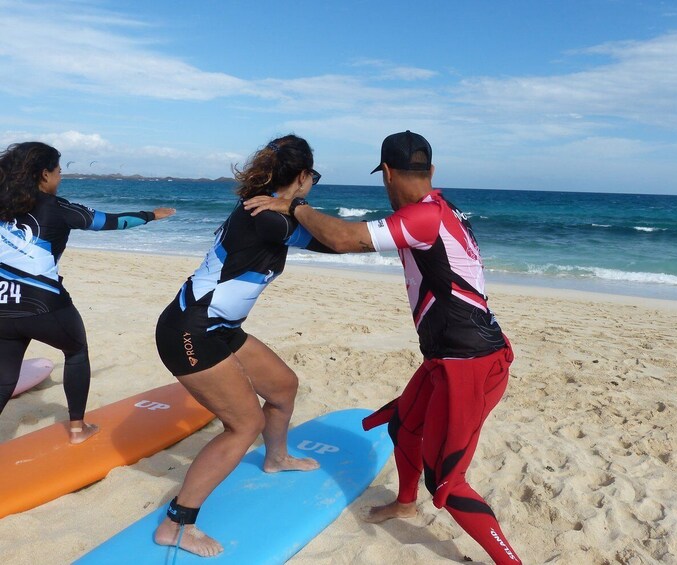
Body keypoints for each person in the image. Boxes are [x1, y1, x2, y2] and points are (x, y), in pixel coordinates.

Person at [245, 131, 522, 564]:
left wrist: (295, 206)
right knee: (404, 426)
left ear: (387, 173)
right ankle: (405, 503)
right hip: (448, 357)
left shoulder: (425, 217)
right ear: (430, 171)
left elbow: (345, 238)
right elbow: (350, 238)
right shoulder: (437, 209)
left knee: (449, 484)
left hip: (471, 364)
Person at [153, 134, 331, 558]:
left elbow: (325, 235)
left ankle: (276, 458)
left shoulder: (267, 205)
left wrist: (293, 206)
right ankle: (177, 523)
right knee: (243, 424)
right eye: (314, 177)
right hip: (191, 330)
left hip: (221, 326)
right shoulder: (268, 215)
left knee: (283, 386)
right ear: (303, 177)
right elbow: (340, 240)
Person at [0, 141, 175, 443]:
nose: (60, 177)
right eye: (58, 171)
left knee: (4, 381)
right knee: (76, 351)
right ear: (44, 175)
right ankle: (78, 430)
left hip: (3, 305)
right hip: (44, 306)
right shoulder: (58, 208)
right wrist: (151, 215)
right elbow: (112, 222)